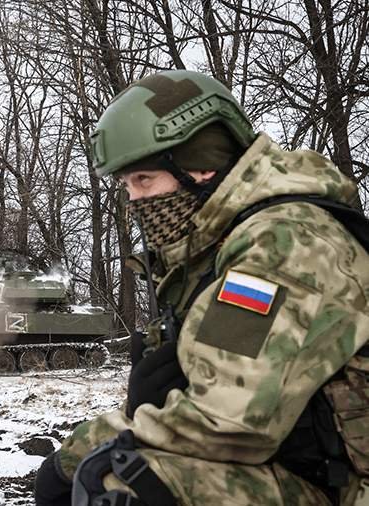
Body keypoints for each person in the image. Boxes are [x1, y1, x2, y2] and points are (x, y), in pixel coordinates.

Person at [34, 69, 369, 505]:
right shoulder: (216, 247)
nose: (134, 200)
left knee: (126, 486)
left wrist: (79, 455)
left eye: (144, 180)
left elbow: (226, 420)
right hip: (309, 467)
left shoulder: (284, 244)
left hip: (344, 484)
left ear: (201, 166)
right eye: (127, 185)